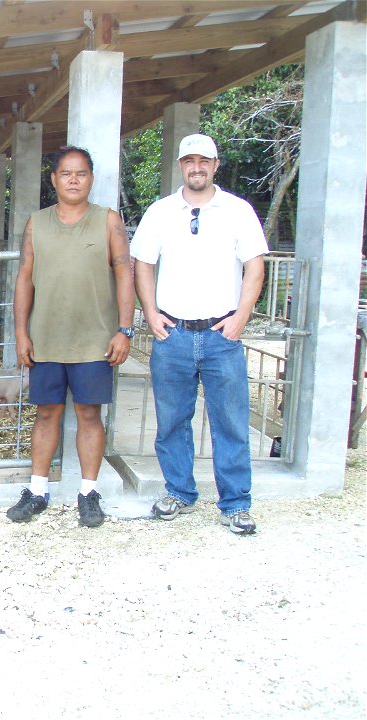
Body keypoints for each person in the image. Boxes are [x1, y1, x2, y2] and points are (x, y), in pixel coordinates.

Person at [131, 133, 267, 535]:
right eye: (189, 161)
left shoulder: (237, 211)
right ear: (180, 166)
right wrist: (150, 313)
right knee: (172, 420)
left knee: (231, 421)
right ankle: (179, 491)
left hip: (221, 334)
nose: (196, 167)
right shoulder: (161, 211)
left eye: (203, 161)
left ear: (215, 165)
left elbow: (255, 267)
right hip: (172, 332)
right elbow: (142, 264)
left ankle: (236, 503)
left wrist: (241, 317)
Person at [8, 146, 135, 527]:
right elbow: (25, 278)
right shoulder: (36, 223)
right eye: (66, 173)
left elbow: (124, 273)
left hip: (95, 340)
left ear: (91, 178)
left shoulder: (108, 221)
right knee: (46, 413)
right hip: (45, 338)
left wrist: (124, 329)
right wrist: (20, 333)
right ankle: (37, 490)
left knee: (89, 414)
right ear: (54, 180)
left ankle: (88, 493)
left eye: (81, 173)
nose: (74, 179)